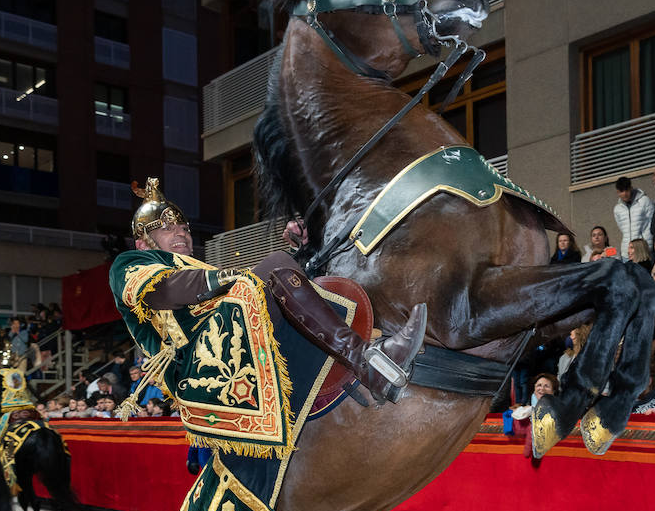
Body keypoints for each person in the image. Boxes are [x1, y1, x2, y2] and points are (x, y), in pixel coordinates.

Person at [112, 177, 426, 421]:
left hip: (231, 340)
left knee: (306, 272)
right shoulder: (130, 264)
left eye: (183, 226)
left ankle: (378, 348)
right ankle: (368, 362)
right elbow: (164, 290)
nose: (181, 233)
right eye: (166, 228)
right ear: (143, 242)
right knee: (275, 264)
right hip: (197, 364)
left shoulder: (203, 267)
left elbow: (264, 291)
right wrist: (241, 274)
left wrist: (302, 253)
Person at [612, 176, 653, 256]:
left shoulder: (644, 201)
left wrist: (647, 246)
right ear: (617, 192)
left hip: (643, 250)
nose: (624, 193)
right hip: (627, 252)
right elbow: (623, 229)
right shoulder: (617, 209)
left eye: (626, 190)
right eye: (621, 191)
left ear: (631, 188)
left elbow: (652, 223)